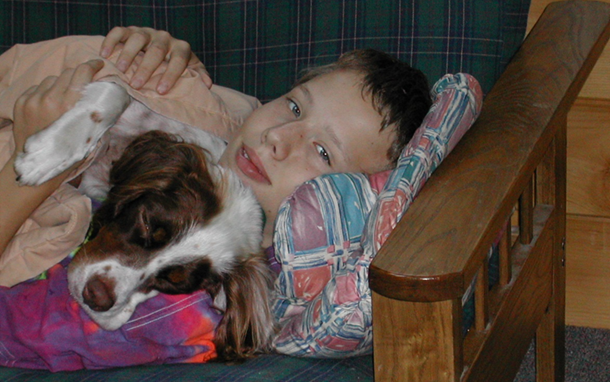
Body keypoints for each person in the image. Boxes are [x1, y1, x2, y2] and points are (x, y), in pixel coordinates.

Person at [0, 26, 432, 267]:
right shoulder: (197, 99)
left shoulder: (200, 277)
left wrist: (28, 171)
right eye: (295, 106)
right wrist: (131, 64)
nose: (278, 136)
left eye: (322, 153)